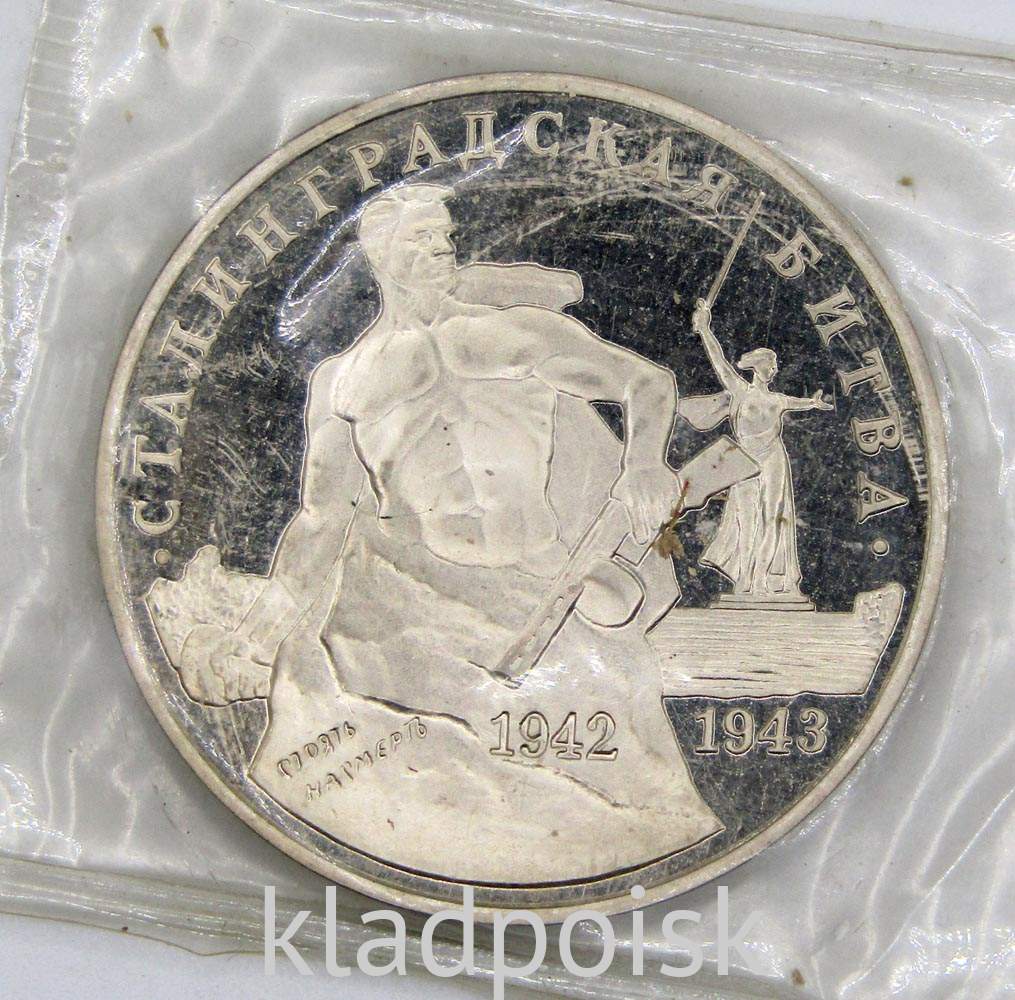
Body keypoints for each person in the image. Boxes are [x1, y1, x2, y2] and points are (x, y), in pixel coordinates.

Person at [176, 183, 722, 880]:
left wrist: (643, 461)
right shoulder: (343, 381)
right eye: (421, 238)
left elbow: (643, 383)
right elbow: (321, 519)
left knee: (636, 796)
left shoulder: (512, 333)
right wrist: (255, 636)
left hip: (538, 584)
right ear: (380, 256)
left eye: (444, 236)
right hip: (412, 601)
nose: (441, 249)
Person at [691, 297, 833, 603]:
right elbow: (719, 362)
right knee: (747, 520)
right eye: (772, 363)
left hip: (773, 458)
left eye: (776, 364)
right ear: (759, 367)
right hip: (745, 460)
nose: (776, 368)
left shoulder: (777, 400)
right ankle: (745, 578)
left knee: (772, 518)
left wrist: (814, 403)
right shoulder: (740, 391)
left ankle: (761, 580)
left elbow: (799, 403)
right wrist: (704, 329)